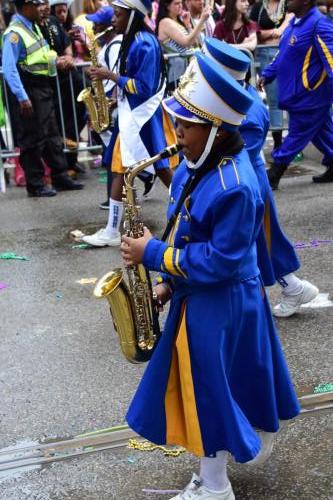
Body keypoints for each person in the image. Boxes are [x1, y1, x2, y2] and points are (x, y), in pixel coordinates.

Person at [121, 53, 300, 500]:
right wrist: (166, 286)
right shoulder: (195, 164)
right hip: (201, 297)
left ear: (217, 130)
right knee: (205, 390)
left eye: (185, 125)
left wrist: (154, 255)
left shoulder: (236, 185)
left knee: (210, 394)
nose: (176, 133)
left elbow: (219, 261)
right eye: (176, 123)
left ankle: (216, 485)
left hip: (224, 304)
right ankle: (213, 472)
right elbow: (189, 233)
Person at [203, 37, 319, 317]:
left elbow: (238, 152)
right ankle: (288, 288)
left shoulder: (250, 110)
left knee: (261, 242)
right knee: (258, 242)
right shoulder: (236, 98)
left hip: (251, 186)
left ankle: (291, 288)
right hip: (247, 184)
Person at [82, 0, 178, 248]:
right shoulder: (133, 39)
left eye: (118, 15)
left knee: (161, 168)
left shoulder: (144, 42)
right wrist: (116, 101)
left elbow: (144, 87)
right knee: (119, 168)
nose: (114, 19)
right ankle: (112, 229)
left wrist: (110, 76)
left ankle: (193, 207)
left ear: (133, 15)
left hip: (143, 117)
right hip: (132, 114)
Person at [2, 0, 83, 196]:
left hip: (43, 88)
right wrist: (22, 97)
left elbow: (41, 57)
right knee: (32, 139)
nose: (42, 8)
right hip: (29, 90)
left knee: (51, 135)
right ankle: (36, 184)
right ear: (26, 6)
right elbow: (9, 69)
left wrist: (58, 61)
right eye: (38, 4)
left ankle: (60, 176)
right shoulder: (14, 33)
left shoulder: (32, 28)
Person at [258, 0, 333, 188]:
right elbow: (281, 55)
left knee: (296, 136)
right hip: (298, 97)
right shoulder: (293, 23)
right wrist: (267, 74)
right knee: (323, 134)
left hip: (311, 99)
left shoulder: (319, 24)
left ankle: (275, 172)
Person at [40, 0, 87, 175]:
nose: (62, 14)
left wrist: (68, 56)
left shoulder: (53, 23)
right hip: (55, 81)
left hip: (70, 77)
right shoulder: (37, 26)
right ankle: (65, 165)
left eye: (64, 11)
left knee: (80, 111)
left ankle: (72, 159)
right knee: (61, 119)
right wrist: (58, 60)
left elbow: (66, 42)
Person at [85, 5, 123, 210]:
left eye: (97, 22)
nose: (93, 25)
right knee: (112, 155)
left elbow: (117, 75)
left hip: (111, 104)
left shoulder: (115, 45)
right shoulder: (108, 45)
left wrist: (110, 103)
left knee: (113, 155)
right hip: (106, 101)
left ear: (109, 25)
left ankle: (114, 198)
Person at [250, 0, 294, 151]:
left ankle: (294, 144)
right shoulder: (258, 7)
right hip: (265, 55)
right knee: (274, 100)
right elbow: (254, 32)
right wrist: (272, 33)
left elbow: (292, 25)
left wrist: (280, 31)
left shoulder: (289, 3)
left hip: (287, 52)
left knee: (291, 98)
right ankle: (278, 143)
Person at [156, 0, 211, 90]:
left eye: (181, 3)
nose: (180, 6)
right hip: (176, 74)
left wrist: (188, 25)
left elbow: (195, 43)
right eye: (176, 3)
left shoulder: (178, 21)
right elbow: (186, 42)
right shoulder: (165, 22)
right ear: (167, 6)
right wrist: (202, 20)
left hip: (188, 70)